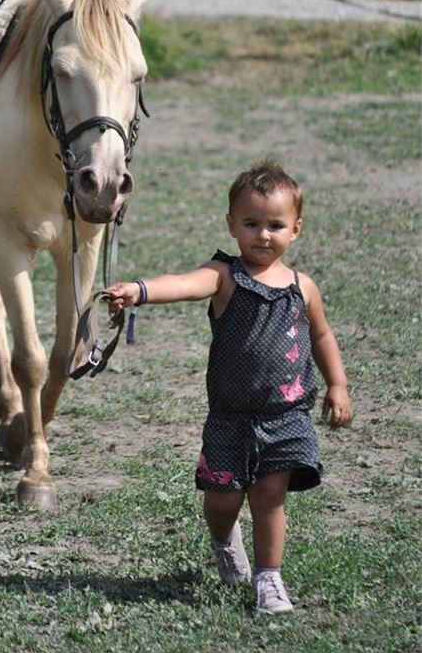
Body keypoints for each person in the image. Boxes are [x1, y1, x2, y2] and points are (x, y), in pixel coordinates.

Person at [108, 159, 352, 615]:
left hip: (286, 416)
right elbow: (184, 284)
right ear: (231, 225)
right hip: (230, 418)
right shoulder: (224, 276)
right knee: (222, 500)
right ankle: (223, 539)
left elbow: (321, 336)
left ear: (296, 229)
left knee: (269, 499)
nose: (263, 235)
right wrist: (140, 290)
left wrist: (337, 383)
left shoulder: (303, 287)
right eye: (251, 223)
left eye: (275, 225)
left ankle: (269, 578)